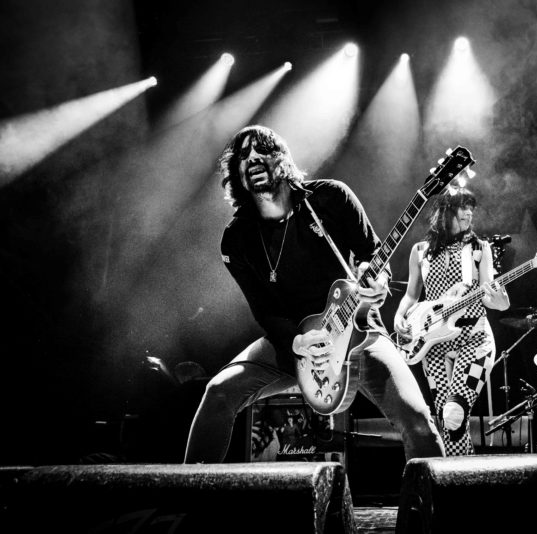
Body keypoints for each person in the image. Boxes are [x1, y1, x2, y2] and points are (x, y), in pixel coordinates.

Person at [184, 125, 444, 463]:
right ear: (237, 173)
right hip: (293, 342)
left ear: (282, 159)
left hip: (354, 331)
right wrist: (296, 341)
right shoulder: (237, 238)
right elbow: (263, 310)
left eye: (263, 149)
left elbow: (372, 254)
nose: (253, 158)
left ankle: (433, 497)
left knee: (419, 423)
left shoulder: (330, 198)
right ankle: (190, 494)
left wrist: (376, 281)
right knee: (218, 392)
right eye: (244, 155)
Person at [394, 188, 510, 456]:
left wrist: (500, 300)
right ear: (445, 211)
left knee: (454, 412)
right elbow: (412, 295)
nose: (469, 213)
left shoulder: (479, 249)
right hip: (432, 342)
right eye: (463, 207)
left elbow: (492, 298)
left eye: (472, 208)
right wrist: (399, 316)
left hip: (473, 336)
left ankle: (460, 475)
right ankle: (460, 476)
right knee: (448, 424)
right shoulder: (420, 251)